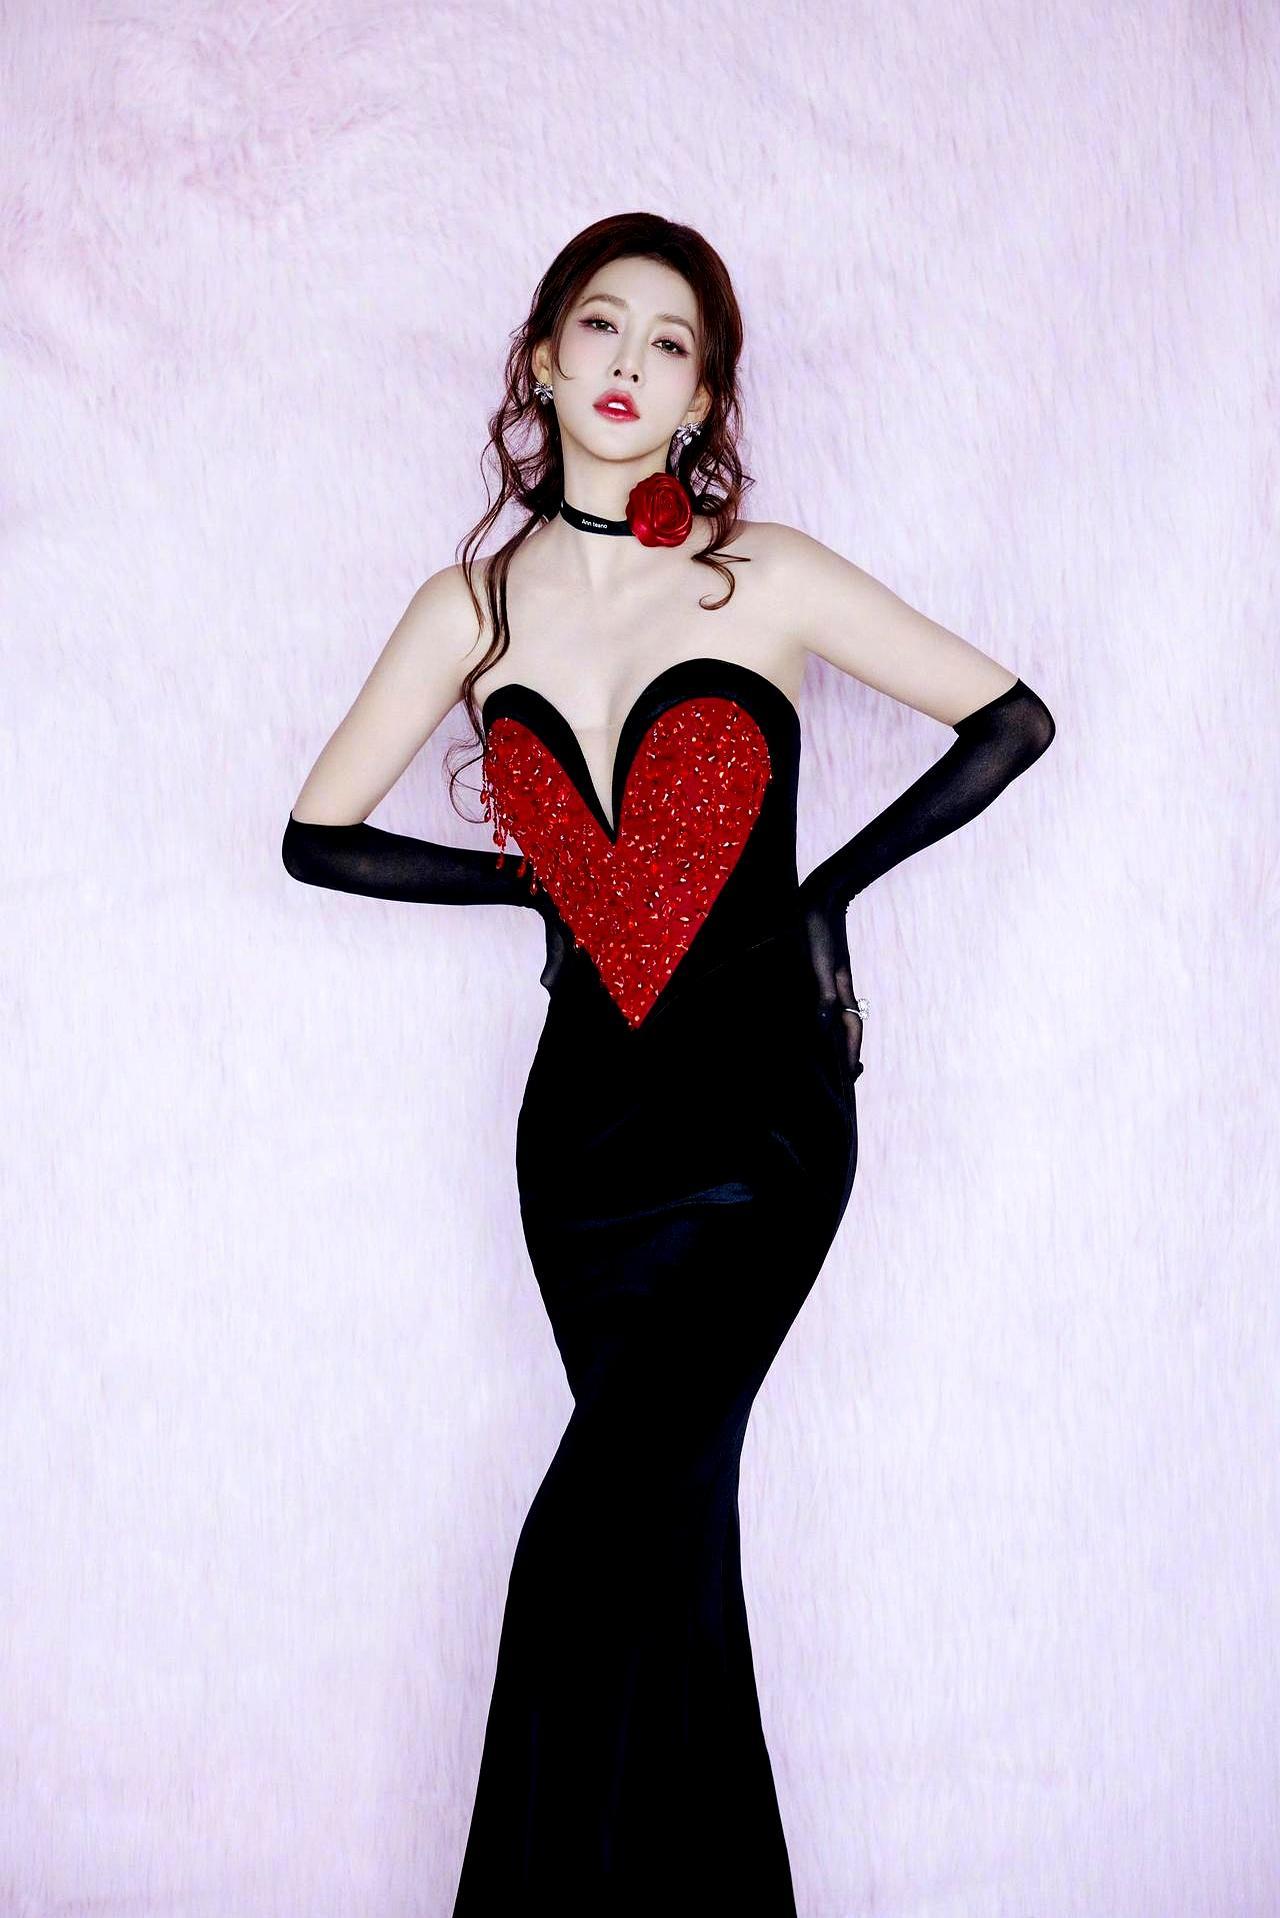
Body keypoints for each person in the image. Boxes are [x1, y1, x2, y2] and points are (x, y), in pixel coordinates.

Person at [281, 212, 1055, 1916]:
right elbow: (315, 835)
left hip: (764, 1122)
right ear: (541, 359)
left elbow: (1011, 720)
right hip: (584, 1151)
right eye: (601, 326)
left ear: (702, 398)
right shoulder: (469, 608)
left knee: (588, 1544)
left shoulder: (761, 574)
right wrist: (531, 884)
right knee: (671, 1560)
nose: (630, 363)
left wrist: (827, 898)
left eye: (673, 343)